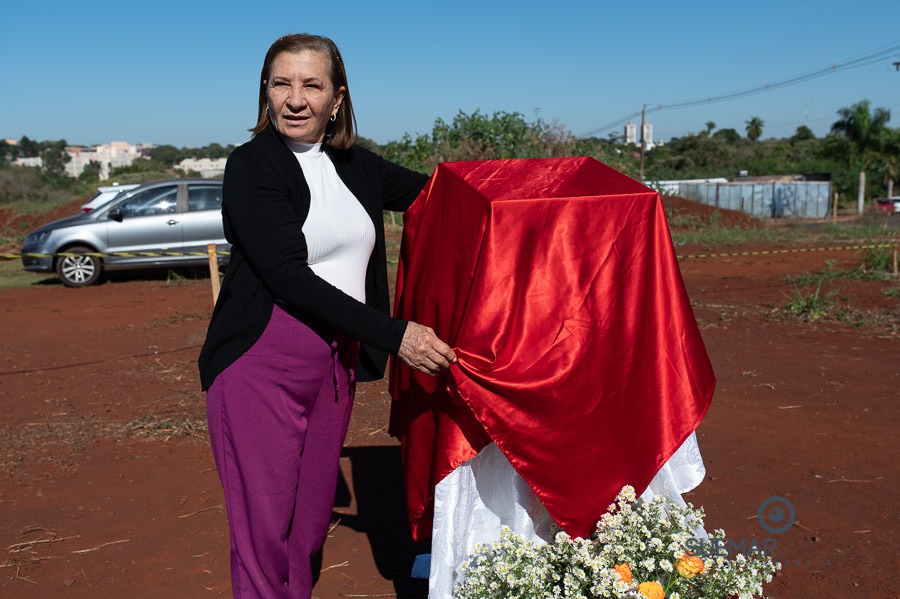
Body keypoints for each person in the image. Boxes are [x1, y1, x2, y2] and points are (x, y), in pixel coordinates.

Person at [197, 33, 456, 599]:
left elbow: (444, 195)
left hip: (334, 365)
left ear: (336, 98)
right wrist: (397, 336)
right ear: (264, 94)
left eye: (311, 85)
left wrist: (542, 191)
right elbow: (289, 277)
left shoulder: (355, 165)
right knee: (264, 532)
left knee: (309, 527)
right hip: (260, 364)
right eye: (281, 84)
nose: (295, 99)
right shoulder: (252, 165)